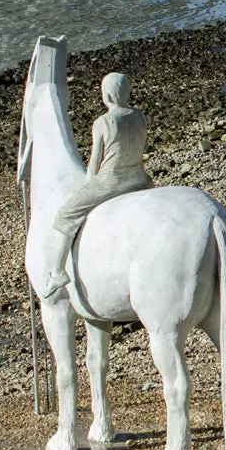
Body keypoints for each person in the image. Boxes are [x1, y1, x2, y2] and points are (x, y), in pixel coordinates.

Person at [40, 72, 153, 298]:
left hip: (111, 181)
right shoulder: (140, 116)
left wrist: (86, 187)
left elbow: (93, 166)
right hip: (140, 178)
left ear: (108, 95)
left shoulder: (103, 122)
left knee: (65, 214)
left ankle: (57, 271)